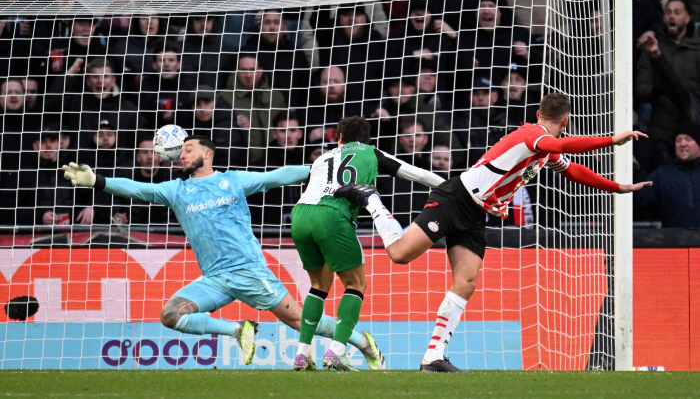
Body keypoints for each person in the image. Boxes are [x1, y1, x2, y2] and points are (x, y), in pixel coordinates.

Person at [334, 93, 652, 372]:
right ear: (565, 120)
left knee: (467, 281)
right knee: (400, 254)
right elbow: (560, 144)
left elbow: (571, 168)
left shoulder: (545, 147)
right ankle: (372, 200)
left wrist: (617, 187)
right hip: (455, 198)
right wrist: (612, 139)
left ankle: (433, 357)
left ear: (539, 112)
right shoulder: (533, 135)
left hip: (477, 214)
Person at [62, 135, 384, 369]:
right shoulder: (176, 189)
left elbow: (276, 177)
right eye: (181, 151)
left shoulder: (233, 181)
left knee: (300, 321)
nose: (182, 155)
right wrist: (97, 181)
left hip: (249, 271)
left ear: (208, 153)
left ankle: (360, 341)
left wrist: (319, 169)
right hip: (214, 279)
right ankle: (238, 330)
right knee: (170, 315)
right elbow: (139, 189)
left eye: (189, 149)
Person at [290, 116, 444, 371]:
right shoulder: (371, 152)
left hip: (301, 216)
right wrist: (452, 187)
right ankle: (337, 351)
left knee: (318, 285)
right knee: (356, 284)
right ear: (367, 139)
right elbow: (415, 174)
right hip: (332, 216)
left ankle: (302, 354)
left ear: (339, 138)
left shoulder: (321, 157)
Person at [635, 0, 700, 158]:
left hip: (695, 129)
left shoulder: (698, 47)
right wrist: (655, 91)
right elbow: (639, 90)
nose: (672, 16)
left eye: (677, 13)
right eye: (668, 12)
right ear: (663, 18)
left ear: (687, 18)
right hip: (663, 131)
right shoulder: (651, 46)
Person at [634, 123, 700, 227]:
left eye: (688, 139)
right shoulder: (662, 175)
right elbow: (640, 199)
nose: (682, 144)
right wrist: (634, 172)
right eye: (678, 140)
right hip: (673, 241)